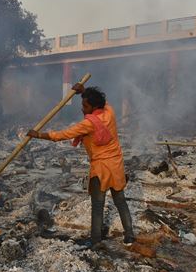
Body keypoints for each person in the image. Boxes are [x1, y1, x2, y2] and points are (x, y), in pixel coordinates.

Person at [27, 84, 135, 247]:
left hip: (101, 168)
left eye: (85, 106)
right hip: (116, 163)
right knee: (120, 200)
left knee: (98, 205)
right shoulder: (109, 111)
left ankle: (96, 240)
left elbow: (64, 134)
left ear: (94, 106)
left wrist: (39, 135)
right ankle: (130, 235)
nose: (82, 109)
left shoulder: (89, 124)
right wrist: (84, 92)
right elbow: (104, 103)